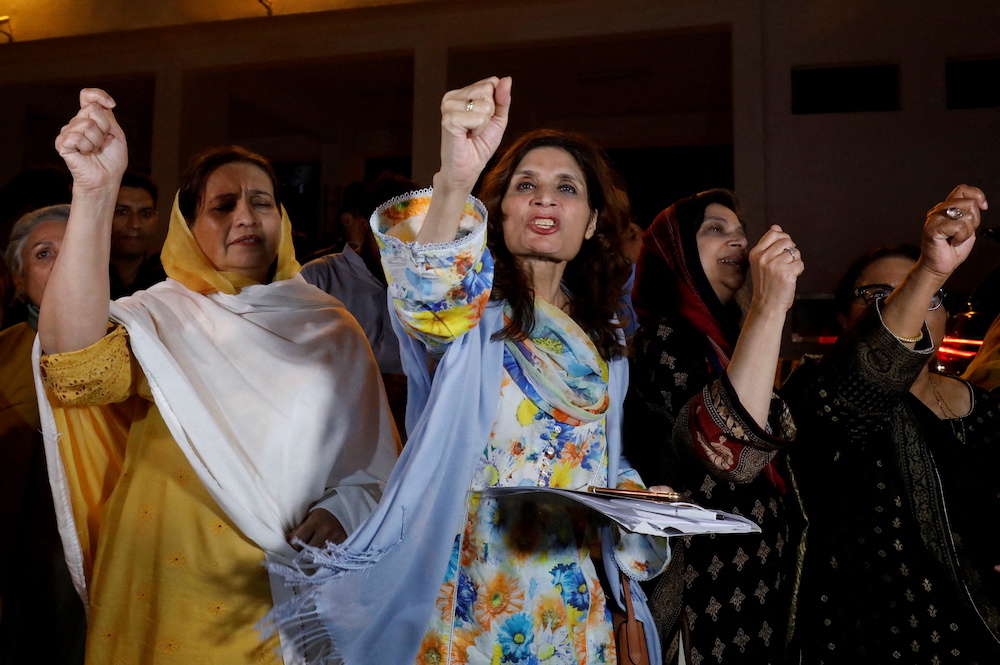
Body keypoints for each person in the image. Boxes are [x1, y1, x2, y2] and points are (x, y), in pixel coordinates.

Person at [266, 76, 669, 665]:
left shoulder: (604, 348)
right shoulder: (471, 323)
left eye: (567, 188)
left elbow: (600, 464)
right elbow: (430, 298)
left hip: (575, 614)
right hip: (471, 603)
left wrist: (641, 504)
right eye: (525, 185)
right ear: (498, 213)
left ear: (590, 224)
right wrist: (456, 178)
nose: (545, 198)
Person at [35, 89, 399, 664]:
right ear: (187, 227)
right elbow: (77, 373)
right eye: (222, 205)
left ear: (283, 219)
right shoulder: (161, 316)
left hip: (275, 574)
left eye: (262, 202)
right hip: (160, 567)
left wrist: (343, 509)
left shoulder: (330, 327)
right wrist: (95, 192)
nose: (246, 217)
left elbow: (376, 464)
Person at [781, 186, 1000, 663]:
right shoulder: (820, 395)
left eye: (930, 295)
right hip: (872, 642)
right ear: (844, 319)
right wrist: (930, 270)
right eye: (878, 295)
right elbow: (861, 384)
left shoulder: (986, 412)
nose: (912, 305)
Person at [623, 189, 802, 664]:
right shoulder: (663, 339)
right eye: (715, 230)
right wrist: (771, 306)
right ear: (674, 253)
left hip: (757, 581)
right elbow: (728, 447)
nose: (738, 242)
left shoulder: (733, 344)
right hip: (705, 589)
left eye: (741, 234)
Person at [0, 205, 86, 664]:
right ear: (18, 279)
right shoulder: (4, 353)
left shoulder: (136, 348)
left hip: (93, 559)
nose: (64, 265)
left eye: (75, 251)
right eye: (44, 254)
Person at [301, 172, 418, 437]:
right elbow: (292, 366)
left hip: (410, 433)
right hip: (338, 433)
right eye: (393, 233)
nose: (403, 247)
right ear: (366, 227)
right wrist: (370, 388)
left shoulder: (423, 285)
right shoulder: (318, 279)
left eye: (413, 235)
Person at [109, 169, 166, 298]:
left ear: (155, 220)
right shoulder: (83, 275)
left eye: (145, 214)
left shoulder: (167, 282)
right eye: (122, 212)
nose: (135, 224)